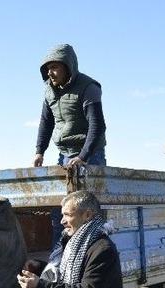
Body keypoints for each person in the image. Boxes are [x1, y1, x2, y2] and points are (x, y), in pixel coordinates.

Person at [32, 44, 108, 247]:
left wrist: (83, 156)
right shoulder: (49, 89)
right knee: (62, 212)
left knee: (88, 210)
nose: (50, 72)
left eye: (55, 67)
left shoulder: (88, 87)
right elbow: (45, 122)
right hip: (64, 154)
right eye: (48, 68)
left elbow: (97, 125)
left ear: (68, 67)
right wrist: (40, 151)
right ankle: (62, 257)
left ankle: (91, 253)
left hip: (90, 154)